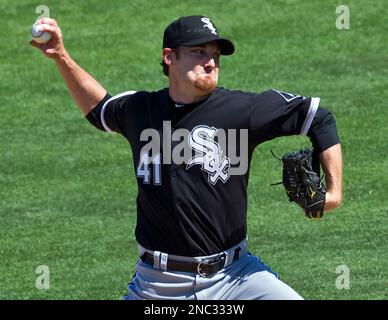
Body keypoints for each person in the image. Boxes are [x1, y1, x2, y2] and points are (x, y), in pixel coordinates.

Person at [30, 15, 342, 300]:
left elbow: (318, 118)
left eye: (216, 56)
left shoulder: (242, 110)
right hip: (157, 285)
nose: (211, 62)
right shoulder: (141, 110)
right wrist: (61, 56)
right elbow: (100, 111)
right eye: (200, 52)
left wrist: (333, 193)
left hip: (236, 278)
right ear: (170, 56)